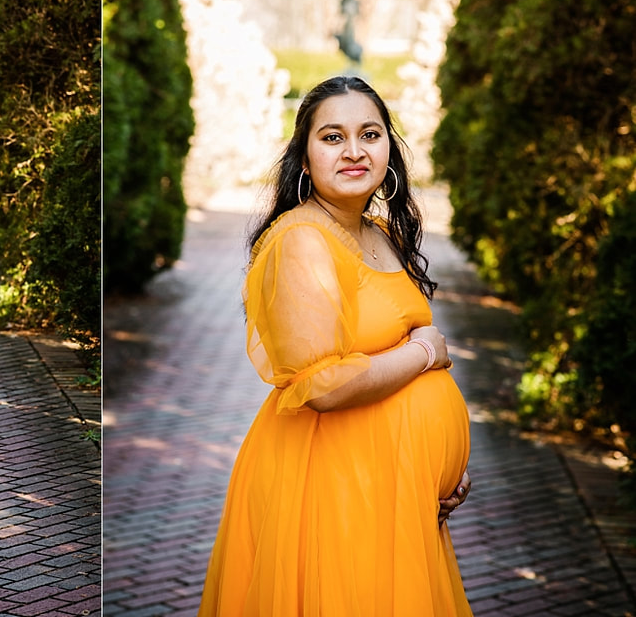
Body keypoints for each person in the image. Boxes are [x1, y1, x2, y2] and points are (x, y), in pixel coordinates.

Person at [198, 76, 473, 616]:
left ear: (389, 150)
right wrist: (426, 353)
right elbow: (322, 384)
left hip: (393, 491)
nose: (353, 150)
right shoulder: (302, 240)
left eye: (370, 134)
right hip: (332, 484)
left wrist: (437, 469)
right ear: (303, 157)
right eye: (332, 137)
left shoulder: (378, 231)